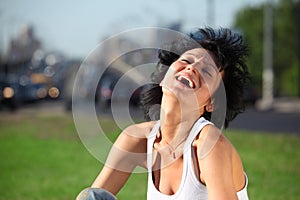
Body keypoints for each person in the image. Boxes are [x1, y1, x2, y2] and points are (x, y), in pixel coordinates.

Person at [77, 27, 250, 200]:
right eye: (187, 60)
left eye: (206, 72)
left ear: (212, 103)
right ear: (164, 76)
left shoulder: (209, 145)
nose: (192, 68)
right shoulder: (137, 139)